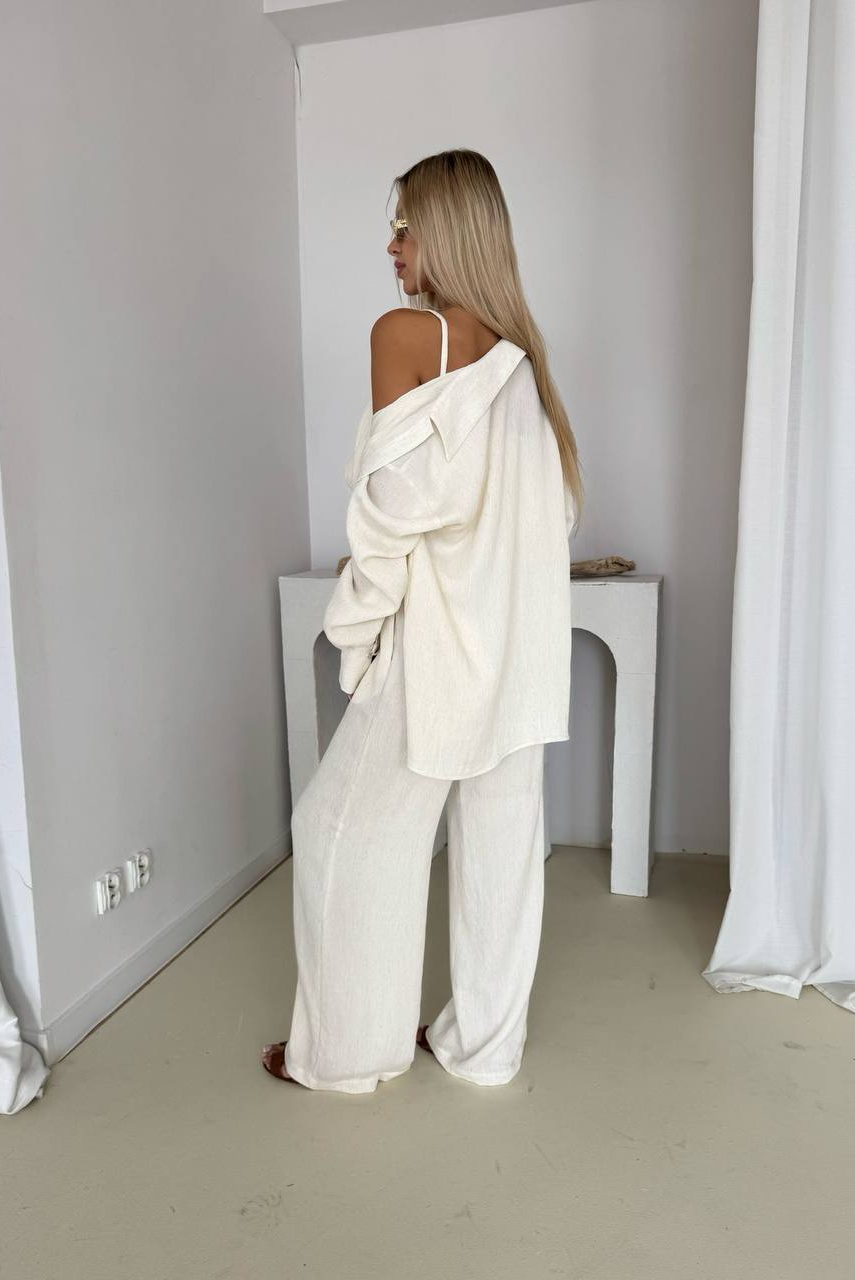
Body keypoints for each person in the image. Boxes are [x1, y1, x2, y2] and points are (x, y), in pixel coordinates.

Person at [262, 148, 583, 1093]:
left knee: (338, 831)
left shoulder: (408, 334)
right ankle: (484, 1049)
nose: (392, 248)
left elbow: (388, 516)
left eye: (404, 226)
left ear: (445, 232)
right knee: (499, 853)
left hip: (438, 650)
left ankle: (343, 1055)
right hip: (519, 655)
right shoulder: (528, 369)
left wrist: (355, 635)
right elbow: (548, 521)